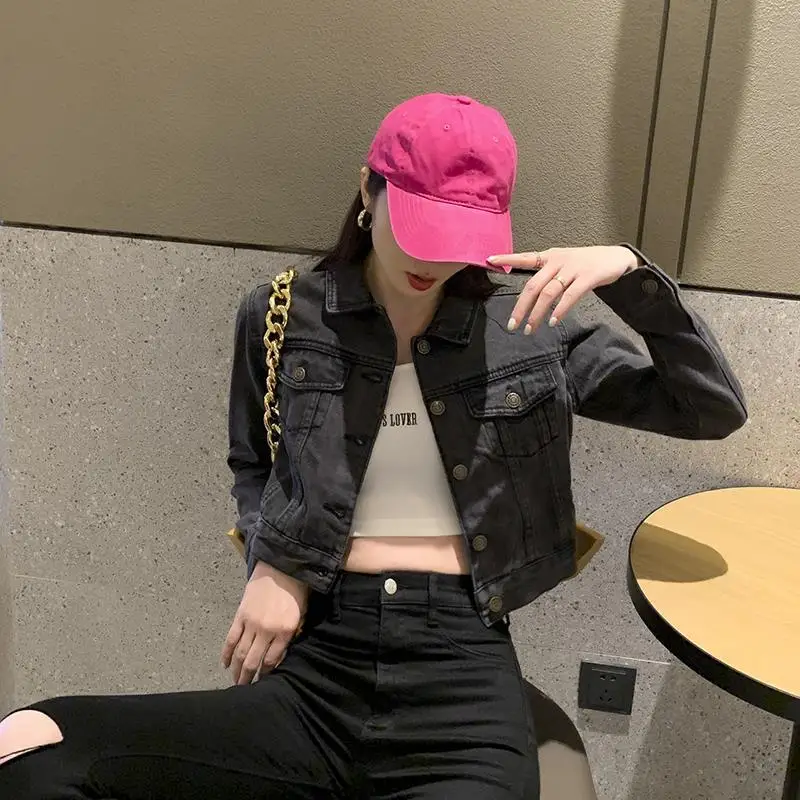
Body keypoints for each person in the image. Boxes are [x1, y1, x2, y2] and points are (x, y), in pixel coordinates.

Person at [0, 92, 746, 799]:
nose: (434, 262)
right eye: (418, 228)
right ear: (368, 189)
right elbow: (254, 461)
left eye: (457, 238)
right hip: (319, 664)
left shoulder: (528, 327)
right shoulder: (282, 313)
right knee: (34, 753)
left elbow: (709, 408)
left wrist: (629, 274)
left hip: (462, 678)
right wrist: (274, 566)